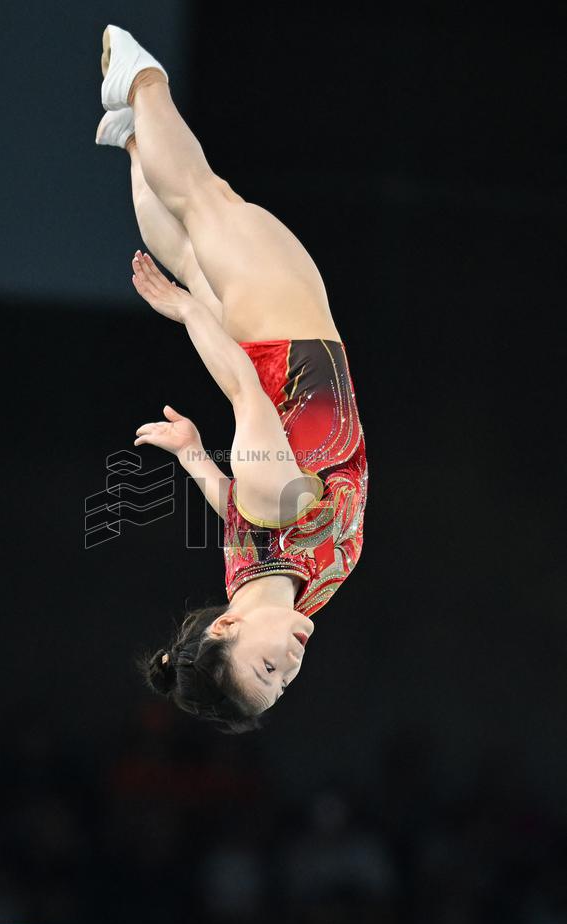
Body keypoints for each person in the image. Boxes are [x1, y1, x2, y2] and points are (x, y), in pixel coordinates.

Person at [96, 25, 368, 733]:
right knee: (187, 245)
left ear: (225, 629)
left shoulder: (276, 501)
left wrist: (189, 313)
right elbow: (234, 519)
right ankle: (129, 134)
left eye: (266, 669)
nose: (290, 669)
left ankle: (138, 80)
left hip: (281, 335)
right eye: (281, 685)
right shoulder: (265, 585)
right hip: (284, 339)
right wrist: (191, 455)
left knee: (204, 201)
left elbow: (245, 390)